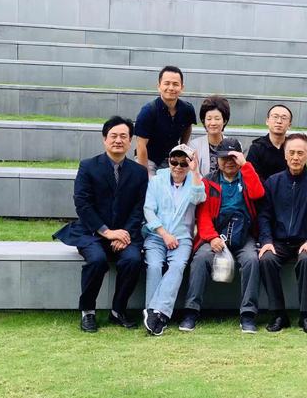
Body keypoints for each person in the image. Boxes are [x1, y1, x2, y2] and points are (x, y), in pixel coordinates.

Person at [53, 116, 148, 333]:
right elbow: (82, 204)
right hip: (92, 232)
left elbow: (139, 207)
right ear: (105, 139)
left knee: (133, 260)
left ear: (130, 141)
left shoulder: (139, 172)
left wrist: (124, 234)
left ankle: (118, 311)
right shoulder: (88, 166)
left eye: (123, 136)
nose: (118, 140)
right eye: (113, 136)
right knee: (96, 260)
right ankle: (88, 311)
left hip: (125, 232)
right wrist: (107, 232)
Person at [179, 138, 265, 334]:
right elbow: (203, 215)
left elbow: (258, 194)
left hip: (243, 234)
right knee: (200, 258)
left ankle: (248, 314)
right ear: (217, 159)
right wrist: (211, 237)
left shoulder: (248, 175)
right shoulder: (208, 181)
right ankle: (191, 311)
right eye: (224, 158)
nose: (228, 162)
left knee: (252, 260)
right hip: (215, 233)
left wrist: (246, 165)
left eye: (233, 157)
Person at [258, 133, 307, 334]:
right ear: (285, 154)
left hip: (305, 240)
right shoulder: (273, 182)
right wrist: (266, 240)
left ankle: (305, 315)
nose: (296, 157)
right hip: (278, 241)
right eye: (291, 152)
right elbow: (264, 216)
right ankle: (278, 314)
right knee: (266, 259)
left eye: (300, 153)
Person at [142, 144, 206, 336]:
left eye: (183, 163)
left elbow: (199, 198)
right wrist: (164, 234)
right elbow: (148, 210)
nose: (178, 166)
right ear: (169, 161)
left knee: (177, 266)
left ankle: (157, 312)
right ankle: (155, 312)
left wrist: (195, 172)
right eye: (174, 161)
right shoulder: (156, 180)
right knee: (154, 266)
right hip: (156, 235)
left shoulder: (196, 180)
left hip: (182, 238)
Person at [135, 65, 197, 176]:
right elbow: (141, 146)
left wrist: (182, 148)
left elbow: (188, 127)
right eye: (167, 83)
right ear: (159, 86)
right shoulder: (148, 111)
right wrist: (144, 174)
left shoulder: (187, 109)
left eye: (175, 84)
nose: (171, 88)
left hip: (172, 158)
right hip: (148, 158)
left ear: (182, 87)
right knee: (150, 184)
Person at [189, 95, 240, 176]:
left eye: (217, 119)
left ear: (224, 121)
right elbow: (193, 174)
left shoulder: (234, 144)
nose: (213, 123)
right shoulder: (194, 146)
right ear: (204, 121)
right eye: (209, 119)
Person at [246, 104, 293, 181]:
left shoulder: (293, 147)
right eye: (275, 117)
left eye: (284, 118)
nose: (279, 121)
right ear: (267, 121)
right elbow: (252, 177)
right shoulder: (257, 148)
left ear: (289, 125)